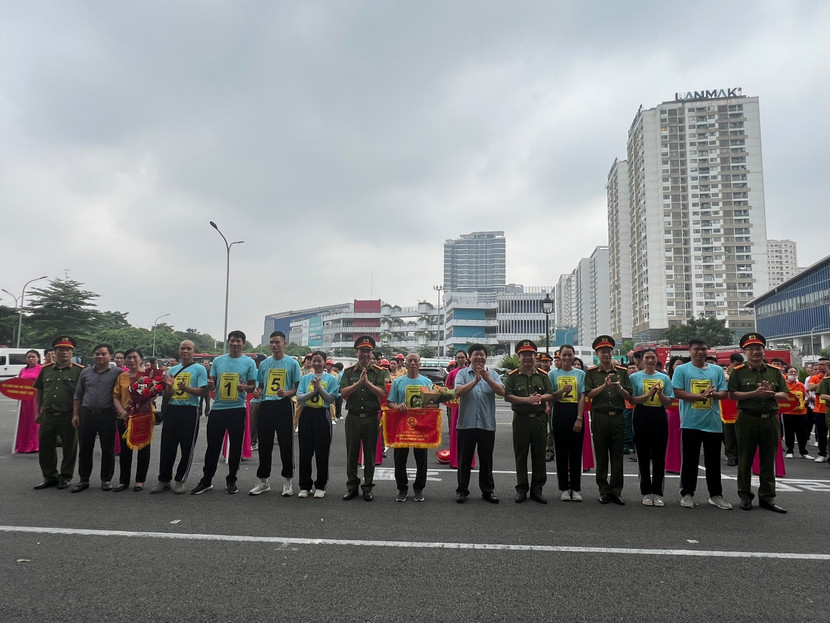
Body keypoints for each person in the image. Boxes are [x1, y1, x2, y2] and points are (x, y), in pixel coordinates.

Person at [728, 333, 789, 513]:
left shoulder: (774, 371)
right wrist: (754, 393)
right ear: (745, 352)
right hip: (747, 419)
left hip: (770, 419)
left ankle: (767, 497)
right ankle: (745, 496)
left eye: (758, 348)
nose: (755, 351)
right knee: (745, 459)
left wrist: (773, 394)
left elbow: (785, 394)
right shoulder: (738, 371)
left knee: (768, 460)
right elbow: (732, 395)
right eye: (751, 349)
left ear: (764, 350)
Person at [191, 331, 257, 495]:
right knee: (212, 446)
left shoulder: (249, 362)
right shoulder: (218, 361)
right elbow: (212, 385)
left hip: (237, 409)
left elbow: (252, 386)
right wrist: (211, 385)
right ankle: (206, 480)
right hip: (218, 408)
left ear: (243, 343)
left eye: (238, 341)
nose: (235, 344)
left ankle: (232, 479)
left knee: (235, 447)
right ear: (228, 342)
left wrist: (244, 388)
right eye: (232, 341)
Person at [671, 338, 731, 510]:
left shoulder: (717, 370)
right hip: (690, 422)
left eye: (703, 349)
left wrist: (712, 395)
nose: (700, 352)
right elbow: (677, 392)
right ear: (690, 351)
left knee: (713, 461)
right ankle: (687, 494)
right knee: (690, 460)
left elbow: (724, 392)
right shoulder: (682, 369)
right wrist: (699, 396)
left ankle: (715, 495)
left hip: (713, 423)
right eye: (696, 349)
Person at [248, 331, 302, 497]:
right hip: (266, 405)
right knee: (264, 444)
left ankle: (287, 481)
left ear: (284, 343)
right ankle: (263, 480)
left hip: (284, 405)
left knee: (286, 444)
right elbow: (261, 387)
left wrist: (287, 393)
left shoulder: (292, 364)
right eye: (271, 342)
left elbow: (298, 388)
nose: (274, 345)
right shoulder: (264, 364)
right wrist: (258, 393)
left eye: (277, 342)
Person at [150, 340, 207, 494]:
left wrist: (185, 388)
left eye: (189, 348)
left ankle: (180, 480)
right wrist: (169, 386)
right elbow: (168, 395)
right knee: (167, 446)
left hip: (190, 411)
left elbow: (201, 391)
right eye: (183, 348)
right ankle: (164, 479)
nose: (185, 351)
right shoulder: (172, 370)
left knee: (187, 447)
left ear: (193, 351)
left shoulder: (199, 369)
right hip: (173, 410)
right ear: (179, 351)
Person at [584, 335, 633, 505]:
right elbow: (589, 394)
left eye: (608, 351)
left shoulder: (622, 372)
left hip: (618, 417)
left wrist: (618, 387)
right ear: (597, 354)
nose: (606, 354)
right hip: (600, 417)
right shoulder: (591, 373)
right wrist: (604, 385)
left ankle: (617, 491)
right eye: (602, 351)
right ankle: (603, 490)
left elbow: (629, 396)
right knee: (602, 456)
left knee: (617, 457)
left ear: (612, 353)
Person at [504, 340, 553, 504]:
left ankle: (537, 489)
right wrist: (527, 400)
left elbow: (550, 394)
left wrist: (541, 398)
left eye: (530, 354)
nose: (527, 358)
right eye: (524, 355)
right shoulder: (512, 376)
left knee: (539, 455)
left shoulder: (543, 375)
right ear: (519, 357)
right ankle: (522, 489)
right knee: (521, 455)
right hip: (521, 420)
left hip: (539, 420)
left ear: (535, 356)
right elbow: (507, 396)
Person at [454, 343, 504, 504]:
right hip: (466, 424)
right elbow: (458, 392)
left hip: (486, 424)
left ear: (486, 357)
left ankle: (488, 491)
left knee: (486, 460)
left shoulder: (494, 374)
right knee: (464, 460)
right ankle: (462, 490)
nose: (479, 357)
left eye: (482, 355)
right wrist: (475, 381)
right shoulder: (462, 373)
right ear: (469, 357)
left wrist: (486, 378)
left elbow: (502, 392)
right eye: (476, 354)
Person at [339, 335, 387, 501]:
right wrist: (359, 383)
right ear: (357, 353)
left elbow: (382, 393)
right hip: (353, 418)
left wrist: (367, 383)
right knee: (352, 454)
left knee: (370, 454)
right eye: (362, 351)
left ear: (371, 353)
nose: (365, 354)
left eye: (368, 351)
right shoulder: (348, 372)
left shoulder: (380, 372)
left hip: (372, 417)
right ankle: (352, 486)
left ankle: (368, 487)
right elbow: (343, 392)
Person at [32, 336, 83, 489]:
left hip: (68, 415)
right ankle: (50, 476)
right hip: (48, 414)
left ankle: (66, 476)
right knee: (46, 447)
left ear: (72, 352)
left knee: (69, 448)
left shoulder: (79, 371)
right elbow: (39, 391)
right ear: (54, 352)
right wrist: (37, 412)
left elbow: (82, 394)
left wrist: (78, 414)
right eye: (61, 349)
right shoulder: (46, 370)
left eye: (68, 350)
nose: (64, 352)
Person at [387, 352, 438, 502]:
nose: (413, 363)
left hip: (421, 426)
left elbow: (434, 403)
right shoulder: (398, 382)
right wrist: (398, 406)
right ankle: (402, 488)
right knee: (399, 459)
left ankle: (419, 488)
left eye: (416, 360)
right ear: (406, 364)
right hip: (402, 425)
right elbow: (390, 403)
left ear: (420, 364)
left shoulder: (427, 382)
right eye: (410, 361)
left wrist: (429, 405)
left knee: (421, 459)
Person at [71, 343, 122, 492]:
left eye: (103, 354)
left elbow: (121, 394)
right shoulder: (85, 372)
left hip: (107, 414)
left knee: (108, 449)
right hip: (86, 414)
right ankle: (83, 480)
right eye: (97, 354)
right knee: (85, 449)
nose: (100, 356)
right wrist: (75, 414)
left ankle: (106, 479)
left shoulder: (117, 373)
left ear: (110, 356)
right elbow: (78, 394)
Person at [629, 348, 673, 507]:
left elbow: (669, 402)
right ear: (641, 360)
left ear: (656, 359)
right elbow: (632, 400)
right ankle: (646, 492)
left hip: (659, 415)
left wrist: (660, 395)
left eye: (652, 357)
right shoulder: (634, 377)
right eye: (647, 358)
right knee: (643, 454)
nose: (650, 360)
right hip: (641, 415)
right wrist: (648, 395)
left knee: (659, 455)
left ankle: (658, 492)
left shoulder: (664, 378)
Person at [294, 351, 340, 498]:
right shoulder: (305, 378)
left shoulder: (331, 379)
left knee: (322, 452)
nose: (316, 363)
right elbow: (300, 398)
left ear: (325, 362)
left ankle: (320, 485)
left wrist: (319, 389)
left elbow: (331, 399)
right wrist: (313, 392)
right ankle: (305, 485)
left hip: (322, 415)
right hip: (307, 415)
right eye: (314, 361)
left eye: (319, 361)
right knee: (305, 452)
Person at [548, 344, 586, 502]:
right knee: (562, 452)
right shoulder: (552, 374)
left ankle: (575, 488)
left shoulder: (580, 374)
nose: (567, 358)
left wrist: (579, 418)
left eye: (570, 355)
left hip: (575, 412)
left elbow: (582, 396)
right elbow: (550, 396)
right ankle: (564, 488)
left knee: (576, 452)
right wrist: (562, 391)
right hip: (560, 412)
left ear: (573, 356)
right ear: (559, 356)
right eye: (564, 355)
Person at [112, 349, 154, 492]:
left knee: (143, 448)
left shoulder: (148, 375)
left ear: (141, 359)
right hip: (125, 417)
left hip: (144, 416)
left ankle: (140, 481)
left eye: (134, 357)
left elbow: (154, 394)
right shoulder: (122, 376)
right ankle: (123, 481)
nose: (131, 360)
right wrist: (122, 411)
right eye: (128, 358)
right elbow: (116, 396)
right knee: (125, 449)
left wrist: (150, 396)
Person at [14, 350, 42, 453]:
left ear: (38, 358)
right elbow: (18, 383)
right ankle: (22, 445)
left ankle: (35, 445)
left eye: (33, 357)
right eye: (29, 357)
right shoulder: (23, 370)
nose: (31, 359)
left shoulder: (42, 369)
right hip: (24, 401)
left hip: (35, 399)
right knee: (23, 423)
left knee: (34, 422)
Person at [782, 366, 811, 460]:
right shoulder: (783, 385)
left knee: (802, 433)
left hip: (801, 413)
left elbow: (806, 396)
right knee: (789, 433)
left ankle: (803, 452)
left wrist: (804, 402)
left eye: (795, 372)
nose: (793, 374)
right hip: (788, 413)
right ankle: (790, 451)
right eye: (791, 372)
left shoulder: (801, 385)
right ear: (786, 374)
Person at [445, 349, 468, 469]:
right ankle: (455, 461)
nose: (460, 359)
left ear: (466, 358)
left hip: (469, 406)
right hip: (456, 407)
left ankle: (468, 462)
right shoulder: (452, 373)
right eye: (458, 357)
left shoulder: (470, 372)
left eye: (462, 357)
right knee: (455, 433)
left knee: (469, 435)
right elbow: (447, 390)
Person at [721, 353, 744, 466]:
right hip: (726, 408)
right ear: (730, 364)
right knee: (728, 434)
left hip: (740, 408)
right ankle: (731, 455)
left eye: (740, 365)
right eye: (735, 365)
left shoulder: (744, 375)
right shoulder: (724, 376)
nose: (737, 367)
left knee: (740, 434)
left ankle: (740, 456)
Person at [806, 358, 829, 463]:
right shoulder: (815, 377)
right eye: (819, 365)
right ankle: (822, 453)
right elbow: (811, 387)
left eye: (823, 365)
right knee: (821, 433)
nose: (820, 367)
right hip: (819, 409)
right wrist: (826, 380)